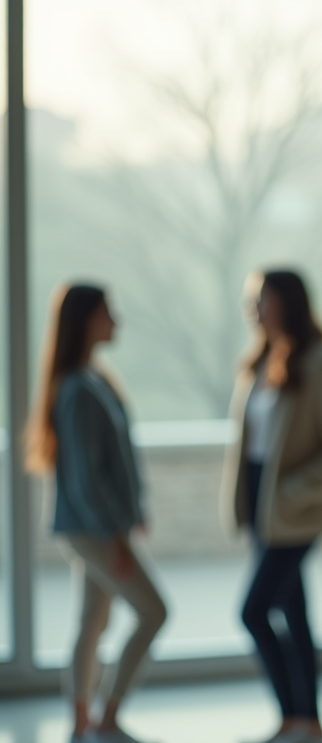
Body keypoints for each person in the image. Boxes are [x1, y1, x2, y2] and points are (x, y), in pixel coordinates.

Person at [221, 270, 322, 743]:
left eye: (262, 300)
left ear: (287, 304)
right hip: (263, 506)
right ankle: (304, 722)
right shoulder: (260, 363)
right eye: (251, 300)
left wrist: (295, 490)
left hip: (292, 511)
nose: (253, 309)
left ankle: (296, 717)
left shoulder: (319, 367)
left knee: (254, 611)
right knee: (294, 613)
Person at [26, 284, 167, 743]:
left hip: (95, 527)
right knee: (153, 612)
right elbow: (89, 478)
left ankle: (83, 721)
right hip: (93, 530)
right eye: (108, 313)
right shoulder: (78, 388)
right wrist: (116, 536)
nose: (116, 321)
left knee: (92, 622)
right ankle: (104, 718)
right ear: (85, 320)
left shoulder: (90, 378)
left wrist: (130, 515)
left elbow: (112, 464)